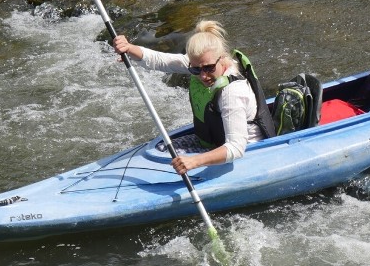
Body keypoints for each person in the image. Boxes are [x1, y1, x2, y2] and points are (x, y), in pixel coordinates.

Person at [113, 20, 275, 175]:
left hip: (246, 152)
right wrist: (129, 48)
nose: (203, 76)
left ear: (222, 58)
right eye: (196, 70)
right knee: (162, 149)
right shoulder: (201, 62)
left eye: (209, 68)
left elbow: (236, 148)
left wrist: (195, 161)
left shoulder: (232, 93)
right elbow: (160, 60)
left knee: (171, 158)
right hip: (214, 142)